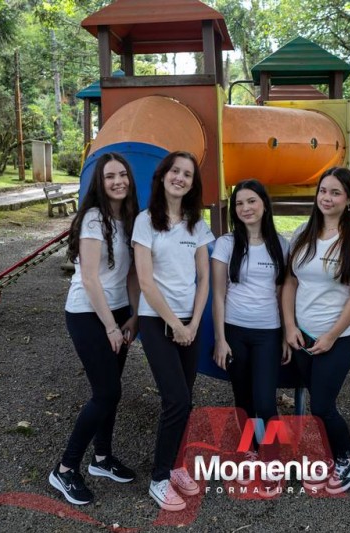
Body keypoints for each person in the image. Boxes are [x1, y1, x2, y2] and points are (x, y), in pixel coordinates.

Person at [49, 152, 140, 506]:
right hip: (87, 313)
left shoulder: (129, 218)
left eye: (122, 175)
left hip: (118, 312)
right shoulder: (92, 218)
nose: (118, 181)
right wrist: (111, 327)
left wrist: (133, 315)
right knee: (106, 392)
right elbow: (89, 278)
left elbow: (130, 274)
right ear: (99, 184)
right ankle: (65, 468)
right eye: (109, 177)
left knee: (111, 390)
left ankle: (102, 458)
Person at [281, 166, 350, 495]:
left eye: (336, 193)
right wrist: (289, 325)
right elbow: (290, 281)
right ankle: (329, 453)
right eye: (323, 191)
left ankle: (349, 458)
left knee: (322, 405)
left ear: (348, 200)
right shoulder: (302, 232)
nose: (327, 198)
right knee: (315, 397)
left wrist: (332, 335)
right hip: (303, 334)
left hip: (339, 336)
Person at [132, 151, 214, 512]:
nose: (180, 178)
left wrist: (193, 322)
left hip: (189, 322)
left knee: (186, 398)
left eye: (187, 174)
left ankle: (178, 465)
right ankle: (160, 477)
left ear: (193, 184)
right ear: (163, 176)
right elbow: (146, 282)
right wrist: (176, 325)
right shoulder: (146, 221)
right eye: (175, 171)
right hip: (156, 320)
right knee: (176, 399)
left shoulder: (197, 224)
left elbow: (204, 278)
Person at [211, 179, 289, 491]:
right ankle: (249, 453)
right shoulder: (226, 243)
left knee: (265, 402)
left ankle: (272, 459)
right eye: (240, 203)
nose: (245, 208)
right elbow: (218, 295)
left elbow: (283, 293)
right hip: (234, 331)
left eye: (251, 201)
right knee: (242, 399)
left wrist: (286, 333)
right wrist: (220, 339)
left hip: (268, 332)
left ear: (264, 205)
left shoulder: (281, 244)